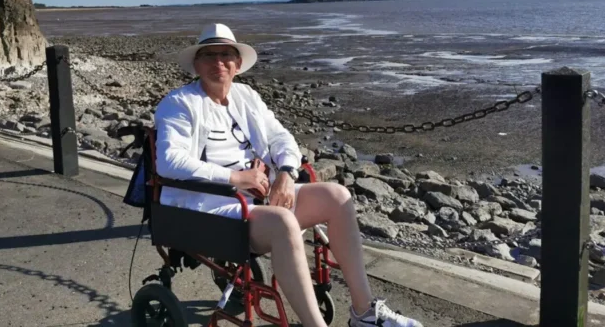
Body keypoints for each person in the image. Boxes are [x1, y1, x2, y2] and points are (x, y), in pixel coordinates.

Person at [154, 23, 424, 327]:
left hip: (258, 198)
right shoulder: (179, 104)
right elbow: (168, 162)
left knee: (337, 195)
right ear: (196, 63)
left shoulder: (246, 96)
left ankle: (364, 312)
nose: (219, 62)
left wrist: (285, 172)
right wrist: (237, 179)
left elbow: (282, 138)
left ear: (238, 63)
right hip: (211, 208)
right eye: (210, 55)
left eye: (226, 54)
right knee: (283, 222)